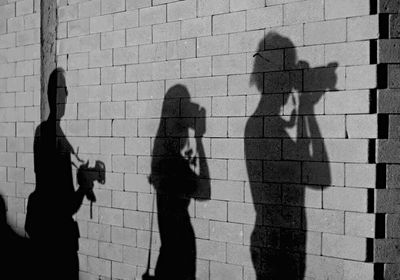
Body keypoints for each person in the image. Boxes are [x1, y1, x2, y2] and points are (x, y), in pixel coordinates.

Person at [245, 33, 335, 279]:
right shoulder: (265, 128)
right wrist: (306, 108)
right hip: (278, 246)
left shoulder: (270, 126)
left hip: (280, 242)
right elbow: (320, 176)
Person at [26, 68, 92, 280]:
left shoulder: (46, 133)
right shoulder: (52, 137)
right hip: (58, 242)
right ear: (52, 95)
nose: (67, 94)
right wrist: (83, 186)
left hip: (45, 236)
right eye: (63, 89)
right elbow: (64, 205)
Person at [150, 84, 210, 280]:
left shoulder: (163, 157)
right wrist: (199, 140)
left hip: (170, 256)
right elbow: (204, 191)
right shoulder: (172, 163)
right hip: (178, 259)